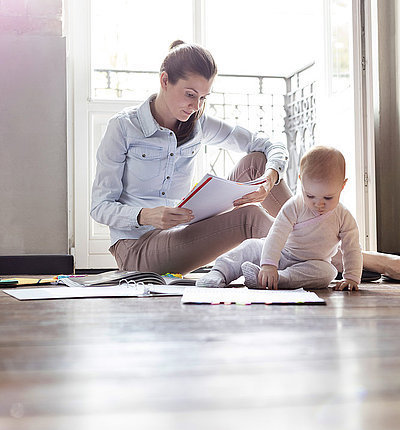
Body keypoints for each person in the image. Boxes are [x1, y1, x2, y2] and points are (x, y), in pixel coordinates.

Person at [90, 40, 292, 274]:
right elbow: (100, 207)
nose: (195, 106)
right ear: (164, 81)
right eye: (190, 94)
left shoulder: (197, 123)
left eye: (203, 98)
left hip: (181, 233)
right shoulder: (123, 127)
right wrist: (146, 215)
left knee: (257, 162)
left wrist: (270, 177)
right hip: (137, 247)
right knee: (250, 217)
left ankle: (313, 238)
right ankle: (308, 259)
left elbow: (269, 144)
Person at [197, 146, 362, 290]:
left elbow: (352, 248)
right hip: (281, 253)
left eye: (328, 198)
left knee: (328, 273)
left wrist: (351, 278)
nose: (318, 204)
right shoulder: (294, 206)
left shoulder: (344, 217)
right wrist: (268, 265)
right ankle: (219, 272)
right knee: (251, 246)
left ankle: (279, 279)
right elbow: (276, 235)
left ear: (342, 186)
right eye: (310, 195)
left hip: (310, 264)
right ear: (301, 182)